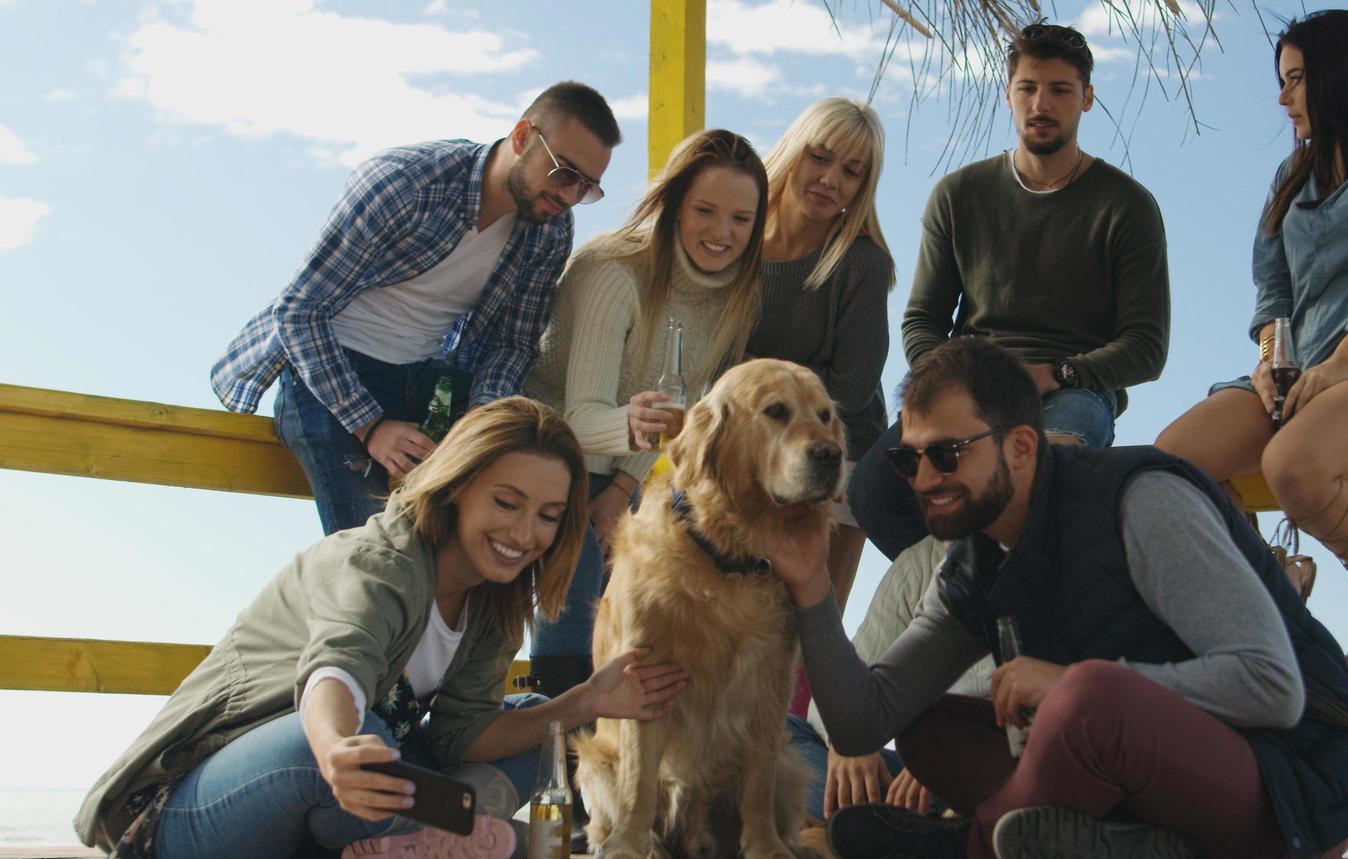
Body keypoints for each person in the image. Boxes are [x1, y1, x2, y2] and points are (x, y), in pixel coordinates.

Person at [768, 338, 1348, 859]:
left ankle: (970, 853)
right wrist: (812, 587)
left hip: (1292, 804)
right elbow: (859, 725)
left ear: (1019, 445)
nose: (924, 478)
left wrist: (1069, 685)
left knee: (1090, 693)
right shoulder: (972, 563)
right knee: (930, 726)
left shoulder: (1142, 503)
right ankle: (1135, 856)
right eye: (910, 460)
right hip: (1153, 806)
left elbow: (1273, 687)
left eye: (948, 454)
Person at [73, 398, 689, 859]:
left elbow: (463, 735)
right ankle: (461, 830)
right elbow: (333, 673)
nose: (525, 533)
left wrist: (585, 701)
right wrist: (339, 745)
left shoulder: (494, 600)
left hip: (330, 814)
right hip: (194, 809)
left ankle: (415, 838)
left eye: (549, 517)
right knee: (328, 742)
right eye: (507, 502)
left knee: (538, 722)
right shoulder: (380, 561)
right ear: (457, 487)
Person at [1154, 9, 1348, 676]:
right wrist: (1270, 364)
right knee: (1170, 468)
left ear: (1340, 78)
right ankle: (1271, 577)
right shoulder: (1290, 175)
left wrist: (1340, 364)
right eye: (1282, 80)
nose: (1281, 96)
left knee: (1292, 466)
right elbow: (1271, 287)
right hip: (1297, 372)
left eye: (1294, 79)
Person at [211, 82, 621, 536]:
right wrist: (371, 426)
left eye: (587, 187)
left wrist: (477, 428)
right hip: (329, 375)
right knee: (369, 556)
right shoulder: (405, 182)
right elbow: (300, 312)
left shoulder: (550, 228)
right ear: (523, 137)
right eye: (564, 173)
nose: (569, 196)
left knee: (496, 504)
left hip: (429, 380)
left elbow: (513, 344)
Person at [846, 22, 1171, 560]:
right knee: (874, 491)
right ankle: (972, 613)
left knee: (1039, 490)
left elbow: (1146, 347)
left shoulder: (1127, 205)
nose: (1041, 104)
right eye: (1028, 88)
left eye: (1060, 90)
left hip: (1071, 391)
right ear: (1008, 94)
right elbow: (922, 320)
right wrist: (954, 382)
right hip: (967, 383)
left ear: (1087, 99)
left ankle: (1005, 617)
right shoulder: (959, 194)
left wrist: (1055, 374)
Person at [522, 129, 768, 700]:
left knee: (636, 619)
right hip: (545, 452)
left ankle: (616, 766)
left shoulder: (737, 294)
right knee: (577, 594)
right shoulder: (614, 273)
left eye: (740, 219)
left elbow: (669, 407)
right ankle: (558, 769)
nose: (722, 233)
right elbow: (576, 418)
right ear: (675, 204)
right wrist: (622, 446)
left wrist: (625, 484)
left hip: (619, 469)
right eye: (705, 210)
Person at [746, 97, 895, 615]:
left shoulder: (862, 264)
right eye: (820, 157)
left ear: (862, 188)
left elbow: (851, 390)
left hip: (841, 451)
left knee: (809, 624)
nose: (831, 179)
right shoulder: (734, 243)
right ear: (794, 151)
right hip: (750, 449)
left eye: (851, 172)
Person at [784, 536, 990, 823]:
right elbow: (845, 692)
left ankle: (875, 831)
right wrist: (849, 742)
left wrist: (946, 758)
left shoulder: (1049, 557)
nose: (928, 489)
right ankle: (898, 829)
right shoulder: (920, 563)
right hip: (909, 783)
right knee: (780, 737)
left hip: (994, 764)